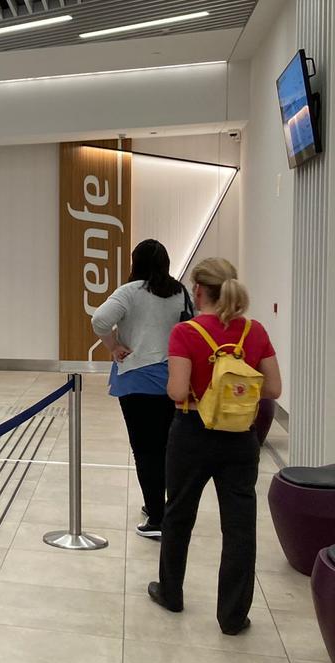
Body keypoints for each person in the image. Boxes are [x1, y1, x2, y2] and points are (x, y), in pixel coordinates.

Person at [147, 258, 282, 636]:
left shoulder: (185, 332)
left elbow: (176, 391)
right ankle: (233, 616)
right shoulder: (254, 331)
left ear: (199, 290)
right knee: (239, 527)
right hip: (240, 437)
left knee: (179, 514)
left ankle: (171, 592)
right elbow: (273, 389)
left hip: (192, 432)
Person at [91, 239, 189, 539]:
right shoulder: (180, 292)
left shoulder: (131, 291)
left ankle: (156, 515)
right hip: (174, 379)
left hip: (137, 380)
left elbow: (99, 320)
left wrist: (113, 346)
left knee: (145, 450)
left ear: (136, 262)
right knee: (168, 447)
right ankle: (169, 509)